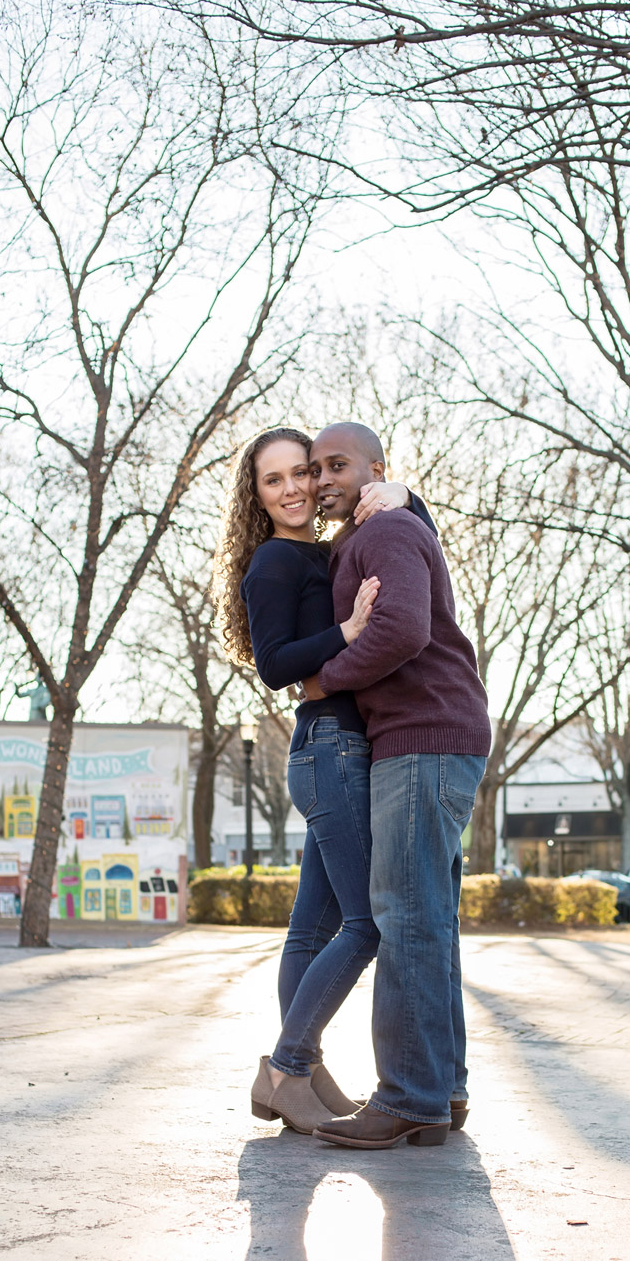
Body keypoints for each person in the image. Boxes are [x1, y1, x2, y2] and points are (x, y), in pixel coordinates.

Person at [210, 426, 428, 1135]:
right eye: (273, 481)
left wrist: (405, 497)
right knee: (364, 926)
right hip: (331, 748)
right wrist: (349, 628)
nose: (295, 488)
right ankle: (287, 1066)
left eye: (301, 472)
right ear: (258, 496)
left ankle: (301, 1069)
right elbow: (274, 664)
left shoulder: (327, 546)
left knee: (311, 931)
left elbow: (407, 545)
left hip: (331, 748)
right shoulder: (274, 561)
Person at [300, 422, 491, 1150]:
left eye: (337, 465)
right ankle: (440, 1090)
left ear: (375, 468)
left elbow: (402, 629)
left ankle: (407, 1095)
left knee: (405, 919)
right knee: (428, 922)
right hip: (436, 738)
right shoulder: (384, 525)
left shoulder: (382, 531)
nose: (322, 479)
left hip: (420, 739)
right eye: (315, 468)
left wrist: (322, 680)